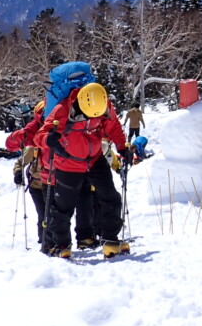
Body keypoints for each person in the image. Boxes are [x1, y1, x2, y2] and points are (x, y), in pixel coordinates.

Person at [35, 82, 132, 259]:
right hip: (68, 163)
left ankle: (111, 240)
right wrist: (48, 139)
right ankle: (61, 245)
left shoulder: (104, 105)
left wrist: (122, 147)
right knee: (63, 207)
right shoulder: (63, 109)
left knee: (110, 197)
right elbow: (40, 134)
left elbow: (113, 126)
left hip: (95, 159)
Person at [9, 101, 96, 249]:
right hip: (38, 183)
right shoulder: (36, 143)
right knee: (45, 215)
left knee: (57, 214)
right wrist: (18, 172)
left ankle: (56, 242)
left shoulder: (63, 136)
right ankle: (46, 242)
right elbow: (21, 160)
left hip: (55, 181)